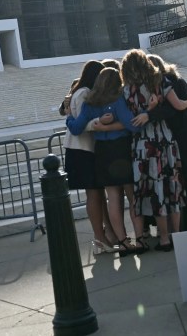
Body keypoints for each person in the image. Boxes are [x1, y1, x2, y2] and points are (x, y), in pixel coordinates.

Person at [66, 67, 146, 256]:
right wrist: (113, 125)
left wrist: (69, 118)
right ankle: (140, 238)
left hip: (102, 152)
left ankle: (122, 241)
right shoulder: (117, 99)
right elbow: (132, 125)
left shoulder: (90, 103)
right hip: (121, 149)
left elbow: (76, 129)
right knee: (132, 196)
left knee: (113, 199)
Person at [121, 49, 184, 251]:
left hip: (141, 145)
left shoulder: (125, 91)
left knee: (155, 190)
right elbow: (177, 106)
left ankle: (163, 238)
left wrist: (145, 113)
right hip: (164, 140)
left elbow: (127, 120)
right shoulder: (161, 82)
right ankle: (178, 235)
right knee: (171, 187)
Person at [147, 54, 187, 231]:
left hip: (176, 136)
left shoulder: (163, 84)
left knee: (180, 181)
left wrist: (150, 114)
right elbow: (183, 104)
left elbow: (172, 109)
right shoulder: (177, 80)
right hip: (185, 135)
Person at [61, 60, 115, 255]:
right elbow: (81, 123)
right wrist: (99, 122)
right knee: (94, 193)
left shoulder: (78, 90)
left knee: (96, 193)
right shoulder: (83, 93)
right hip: (82, 149)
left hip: (80, 149)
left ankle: (103, 235)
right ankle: (99, 238)